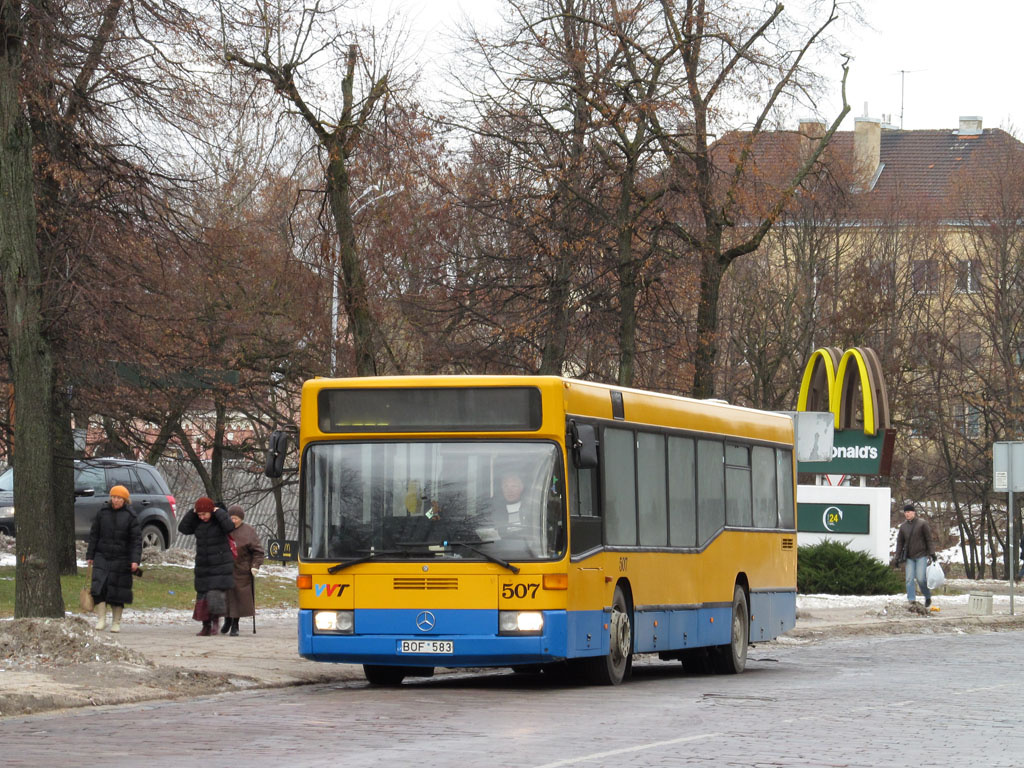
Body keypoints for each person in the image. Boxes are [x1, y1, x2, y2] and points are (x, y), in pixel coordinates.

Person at [86, 485, 142, 633]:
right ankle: (101, 619)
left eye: (119, 498)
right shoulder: (102, 513)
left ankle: (116, 622)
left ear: (125, 500)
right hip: (102, 556)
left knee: (118, 591)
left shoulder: (131, 516)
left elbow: (136, 540)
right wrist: (90, 555)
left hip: (121, 559)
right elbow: (94, 535)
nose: (115, 500)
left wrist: (135, 560)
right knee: (99, 589)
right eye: (113, 497)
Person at [178, 496, 235, 636]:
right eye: (199, 514)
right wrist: (192, 512)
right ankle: (205, 625)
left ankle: (215, 622)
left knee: (215, 595)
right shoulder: (197, 522)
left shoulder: (219, 521)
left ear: (211, 511)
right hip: (203, 564)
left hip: (220, 564)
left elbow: (230, 526)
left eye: (204, 514)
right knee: (202, 597)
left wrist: (218, 511)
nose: (202, 517)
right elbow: (183, 528)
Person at [221, 504, 265, 636]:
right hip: (225, 568)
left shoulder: (249, 531)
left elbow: (258, 551)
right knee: (225, 597)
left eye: (235, 518)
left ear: (241, 519)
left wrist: (255, 566)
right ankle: (227, 620)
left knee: (238, 598)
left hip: (242, 569)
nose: (233, 521)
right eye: (231, 518)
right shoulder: (224, 529)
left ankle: (235, 624)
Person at [894, 502, 936, 607]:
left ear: (914, 512)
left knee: (921, 579)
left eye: (909, 512)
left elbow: (928, 539)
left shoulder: (922, 523)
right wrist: (897, 557)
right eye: (905, 512)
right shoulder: (903, 527)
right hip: (909, 557)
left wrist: (932, 553)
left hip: (921, 555)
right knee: (909, 579)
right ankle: (911, 601)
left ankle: (927, 596)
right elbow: (900, 543)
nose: (907, 514)